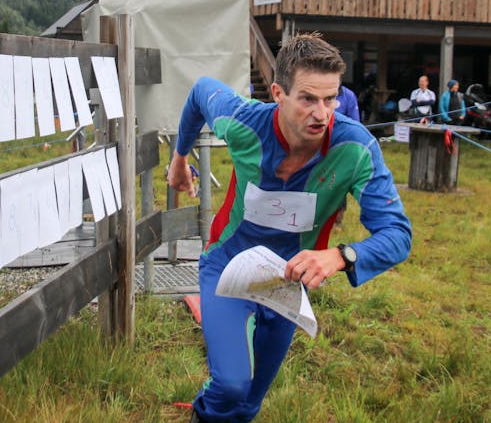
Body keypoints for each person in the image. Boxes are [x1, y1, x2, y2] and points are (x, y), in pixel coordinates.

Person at [167, 33, 412, 423]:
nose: (321, 113)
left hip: (286, 282)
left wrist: (342, 255)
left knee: (249, 401)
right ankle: (205, 412)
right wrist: (180, 158)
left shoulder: (356, 149)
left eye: (331, 99)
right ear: (279, 93)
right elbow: (200, 92)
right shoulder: (243, 120)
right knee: (231, 385)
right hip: (227, 265)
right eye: (308, 99)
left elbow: (398, 234)